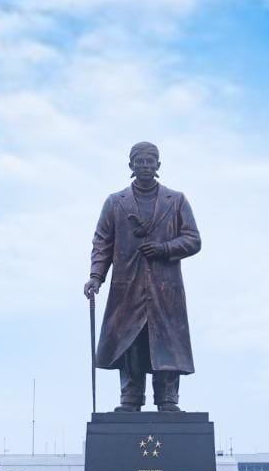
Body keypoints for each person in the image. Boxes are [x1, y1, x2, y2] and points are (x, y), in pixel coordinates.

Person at [83, 141, 201, 412]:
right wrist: (95, 276)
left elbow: (193, 239)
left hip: (165, 287)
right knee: (130, 342)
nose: (145, 166)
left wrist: (164, 248)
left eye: (150, 161)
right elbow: (102, 243)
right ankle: (131, 397)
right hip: (128, 285)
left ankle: (167, 398)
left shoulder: (176, 200)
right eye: (140, 161)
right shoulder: (115, 202)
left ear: (158, 165)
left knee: (166, 341)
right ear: (131, 165)